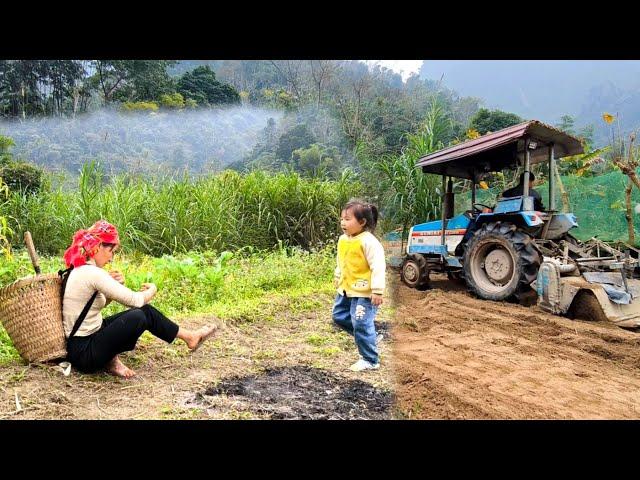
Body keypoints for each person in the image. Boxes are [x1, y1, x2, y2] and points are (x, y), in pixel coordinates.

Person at [62, 220, 218, 379]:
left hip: (88, 340)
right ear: (98, 246)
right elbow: (135, 300)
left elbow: (95, 307)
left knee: (146, 312)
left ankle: (190, 337)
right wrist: (153, 290)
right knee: (138, 315)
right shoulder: (92, 273)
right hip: (83, 352)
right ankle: (110, 360)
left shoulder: (83, 269)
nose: (111, 258)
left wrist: (114, 287)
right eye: (111, 251)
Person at [332, 200, 386, 372]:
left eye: (348, 219)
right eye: (342, 219)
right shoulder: (342, 240)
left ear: (362, 222)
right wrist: (338, 275)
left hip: (365, 292)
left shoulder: (369, 242)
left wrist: (377, 291)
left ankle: (370, 359)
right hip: (346, 289)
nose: (343, 223)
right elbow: (341, 261)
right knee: (339, 316)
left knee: (361, 323)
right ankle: (371, 336)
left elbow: (378, 266)